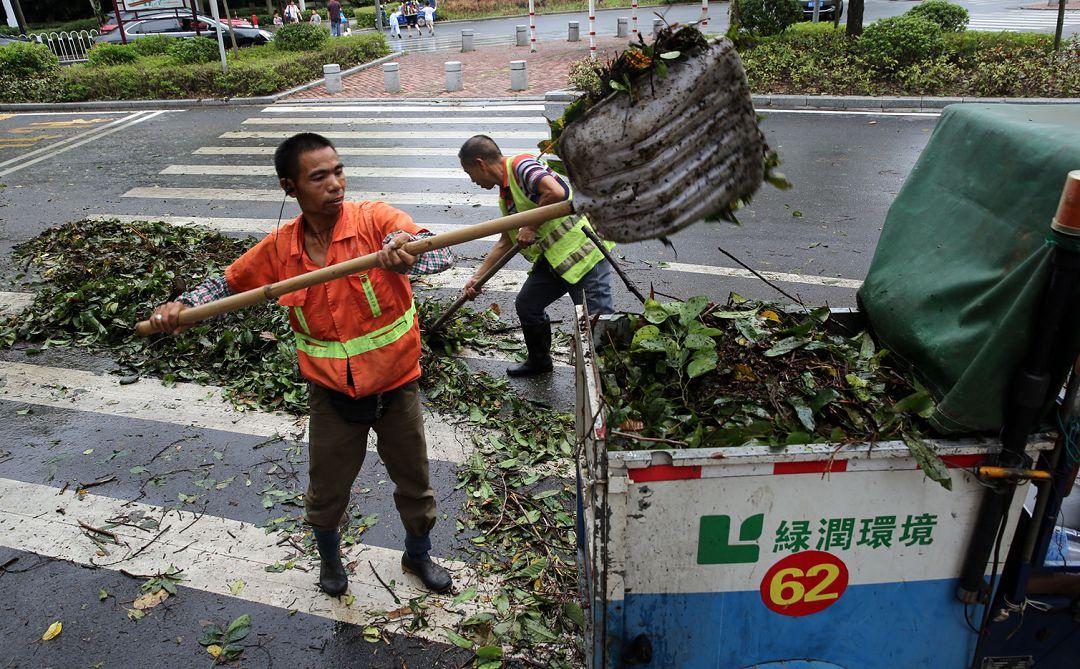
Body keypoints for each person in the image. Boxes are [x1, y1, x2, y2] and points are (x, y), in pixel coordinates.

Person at [151, 133, 456, 596]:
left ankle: (418, 554)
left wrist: (406, 249)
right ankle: (331, 562)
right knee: (327, 491)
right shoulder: (281, 249)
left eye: (338, 171)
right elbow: (228, 284)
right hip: (332, 396)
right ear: (289, 187)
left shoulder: (375, 221)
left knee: (415, 483)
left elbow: (441, 252)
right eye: (319, 177)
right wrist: (181, 306)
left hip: (396, 386)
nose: (335, 184)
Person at [459, 135, 614, 377]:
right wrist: (477, 278)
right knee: (528, 304)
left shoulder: (522, 166)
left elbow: (558, 192)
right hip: (555, 260)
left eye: (470, 174)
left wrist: (531, 227)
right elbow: (506, 241)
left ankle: (608, 381)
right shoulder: (506, 194)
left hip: (584, 256)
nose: (473, 181)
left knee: (594, 322)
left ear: (481, 163)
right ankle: (539, 361)